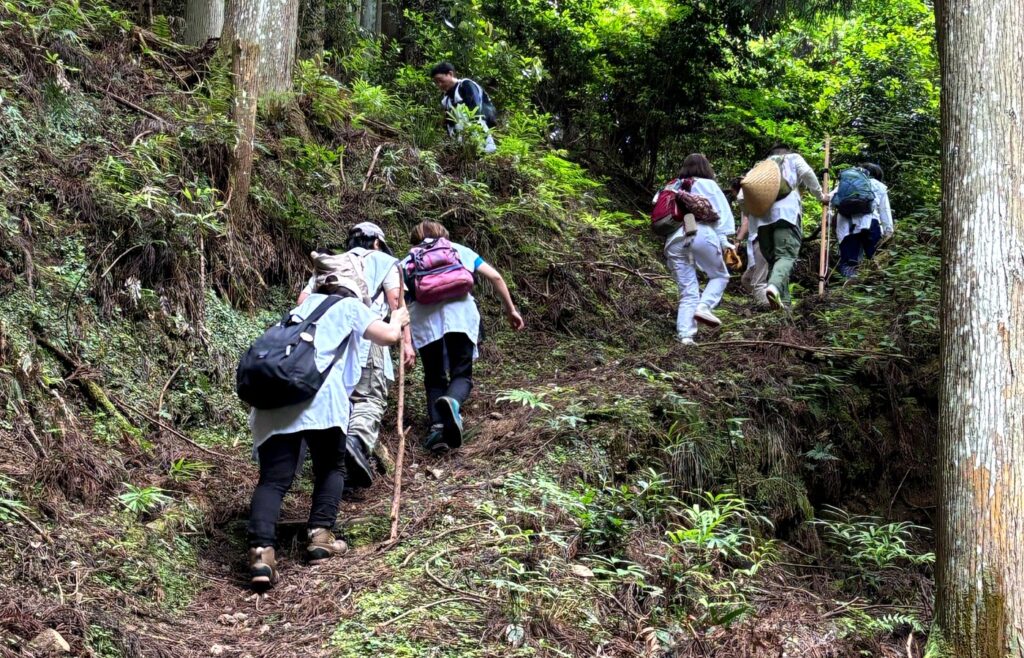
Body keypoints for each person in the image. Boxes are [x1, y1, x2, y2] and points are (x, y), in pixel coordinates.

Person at [247, 277, 409, 588]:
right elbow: (387, 335)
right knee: (329, 468)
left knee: (274, 480)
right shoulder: (348, 306)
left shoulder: (296, 312)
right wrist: (398, 317)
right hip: (321, 402)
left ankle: (261, 555)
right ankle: (320, 537)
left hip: (275, 403)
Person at [297, 222, 413, 485]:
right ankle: (356, 443)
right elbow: (396, 303)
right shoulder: (387, 261)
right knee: (369, 397)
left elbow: (303, 302)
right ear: (376, 243)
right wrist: (406, 342)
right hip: (368, 334)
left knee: (339, 398)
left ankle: (334, 467)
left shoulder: (333, 262)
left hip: (328, 340)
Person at [401, 221, 524, 451]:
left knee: (434, 377)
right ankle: (453, 401)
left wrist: (406, 341)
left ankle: (437, 429)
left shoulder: (407, 260)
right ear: (443, 235)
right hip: (461, 317)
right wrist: (511, 310)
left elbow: (398, 300)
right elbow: (495, 277)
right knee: (462, 373)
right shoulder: (458, 250)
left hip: (425, 323)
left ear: (415, 238)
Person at [660, 154, 735, 345]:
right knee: (720, 276)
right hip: (699, 232)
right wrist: (726, 243)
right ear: (706, 168)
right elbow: (720, 218)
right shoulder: (708, 184)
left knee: (688, 290)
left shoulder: (672, 185)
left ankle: (685, 336)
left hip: (673, 240)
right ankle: (704, 307)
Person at [745, 144, 829, 310]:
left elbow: (742, 196)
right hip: (786, 215)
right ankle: (774, 287)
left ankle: (785, 306)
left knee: (774, 262)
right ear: (787, 152)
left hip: (762, 221)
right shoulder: (793, 159)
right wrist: (820, 195)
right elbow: (807, 174)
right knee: (786, 256)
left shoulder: (760, 168)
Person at [832, 163, 894, 277]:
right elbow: (885, 210)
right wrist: (888, 231)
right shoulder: (878, 185)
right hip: (871, 224)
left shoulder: (846, 184)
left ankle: (849, 286)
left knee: (850, 263)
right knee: (876, 259)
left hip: (847, 228)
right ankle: (877, 285)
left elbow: (829, 199)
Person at [429, 62, 497, 154]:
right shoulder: (447, 99)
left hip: (480, 126)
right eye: (436, 82)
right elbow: (449, 122)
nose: (439, 85)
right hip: (462, 136)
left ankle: (485, 148)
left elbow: (475, 109)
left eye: (440, 80)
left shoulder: (466, 85)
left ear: (450, 74)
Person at [731, 179, 769, 307]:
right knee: (748, 279)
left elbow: (746, 223)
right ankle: (762, 302)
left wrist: (737, 241)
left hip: (758, 241)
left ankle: (767, 305)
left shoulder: (747, 201)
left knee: (756, 280)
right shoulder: (760, 200)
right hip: (756, 240)